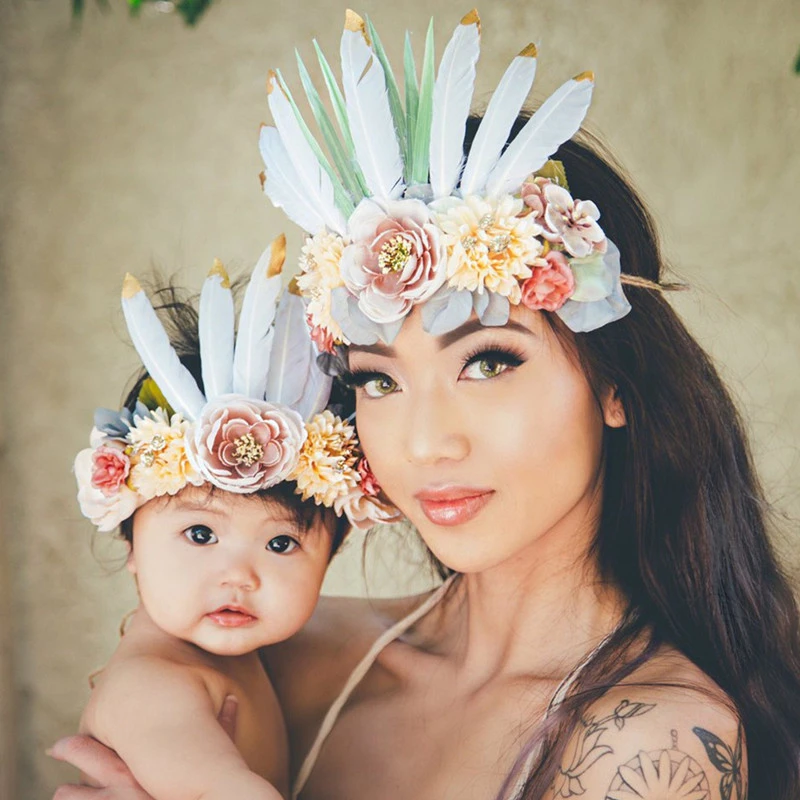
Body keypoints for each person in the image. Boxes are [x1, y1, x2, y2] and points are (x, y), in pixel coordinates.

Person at [50, 10, 800, 800]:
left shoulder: (653, 742)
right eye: (378, 379)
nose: (424, 442)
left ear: (617, 383)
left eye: (488, 362)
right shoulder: (270, 652)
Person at [63, 242, 394, 800]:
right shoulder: (153, 686)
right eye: (200, 534)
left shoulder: (243, 660)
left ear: (329, 557)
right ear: (131, 544)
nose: (239, 575)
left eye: (283, 543)